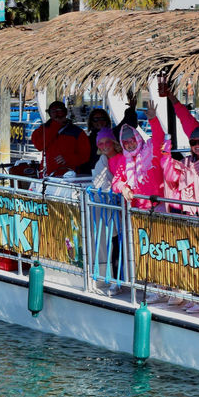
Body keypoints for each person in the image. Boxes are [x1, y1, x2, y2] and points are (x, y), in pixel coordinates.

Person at [111, 101, 167, 211]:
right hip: (137, 208)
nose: (130, 144)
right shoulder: (124, 160)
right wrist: (123, 187)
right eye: (125, 142)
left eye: (132, 140)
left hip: (159, 205)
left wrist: (153, 120)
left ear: (138, 138)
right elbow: (115, 182)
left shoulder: (151, 151)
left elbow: (159, 139)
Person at [90, 127, 125, 296]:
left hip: (123, 207)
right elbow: (99, 181)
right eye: (101, 143)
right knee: (115, 244)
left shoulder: (122, 158)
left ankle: (122, 280)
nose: (104, 146)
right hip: (113, 208)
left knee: (124, 245)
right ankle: (116, 281)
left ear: (113, 142)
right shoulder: (103, 160)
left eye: (107, 142)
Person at [31, 100, 91, 177]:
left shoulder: (77, 132)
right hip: (47, 176)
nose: (57, 114)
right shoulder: (42, 130)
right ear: (50, 114)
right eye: (53, 111)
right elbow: (39, 146)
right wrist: (55, 126)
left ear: (65, 113)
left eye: (59, 111)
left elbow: (85, 156)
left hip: (69, 176)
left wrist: (68, 158)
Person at [79, 102, 139, 174]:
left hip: (114, 172)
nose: (100, 121)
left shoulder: (114, 133)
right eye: (95, 119)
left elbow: (128, 124)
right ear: (91, 122)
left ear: (107, 120)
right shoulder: (87, 140)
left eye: (102, 118)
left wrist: (131, 110)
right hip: (93, 175)